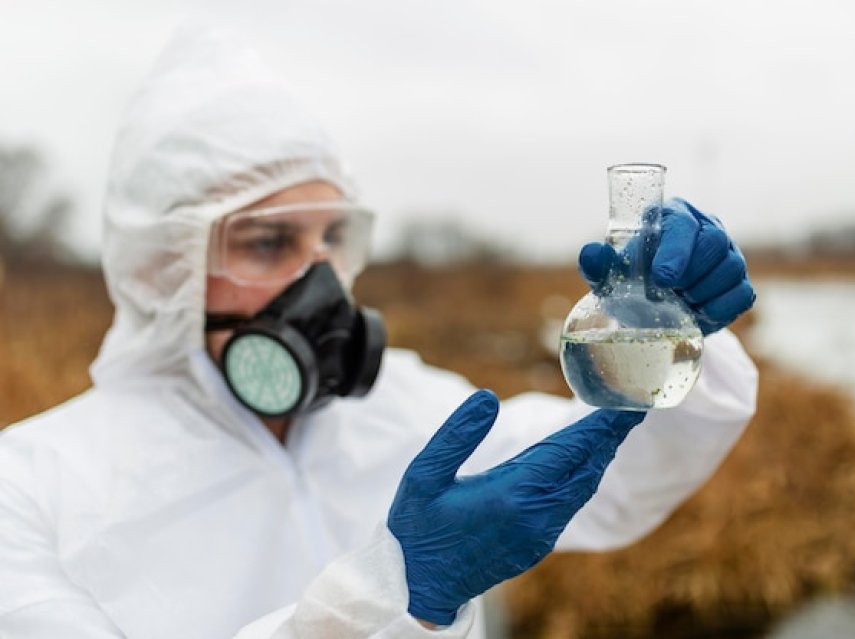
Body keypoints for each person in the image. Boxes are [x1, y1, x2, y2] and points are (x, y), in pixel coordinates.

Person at [0, 26, 758, 639]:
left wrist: (671, 325)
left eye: (334, 236)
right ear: (162, 267)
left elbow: (618, 485)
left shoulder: (404, 407)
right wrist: (397, 598)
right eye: (269, 241)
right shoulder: (32, 488)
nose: (320, 278)